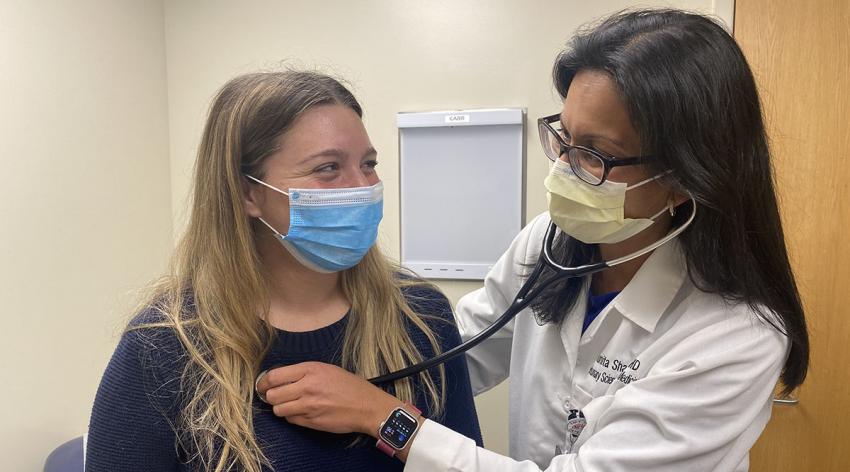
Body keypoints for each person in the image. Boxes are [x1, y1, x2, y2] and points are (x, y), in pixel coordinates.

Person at [255, 9, 809, 472]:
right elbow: (462, 353)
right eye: (563, 137)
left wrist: (385, 418)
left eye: (595, 153)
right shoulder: (551, 242)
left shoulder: (736, 335)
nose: (564, 169)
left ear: (686, 175)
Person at [86, 70, 482, 472]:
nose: (362, 186)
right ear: (247, 193)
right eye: (328, 168)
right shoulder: (165, 346)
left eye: (368, 163)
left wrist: (381, 417)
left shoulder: (421, 315)